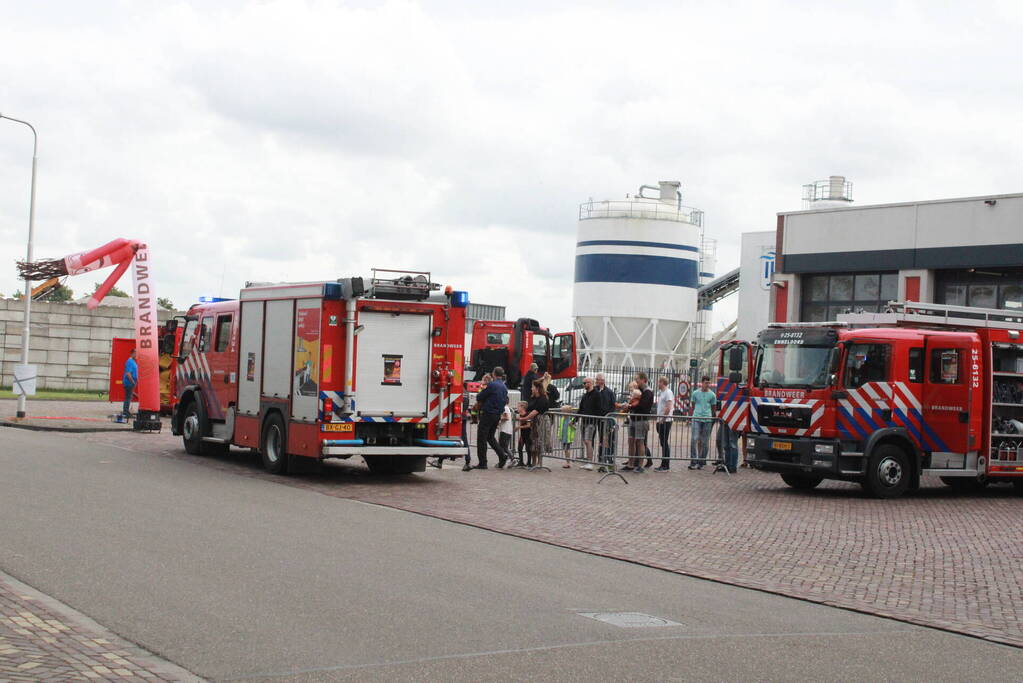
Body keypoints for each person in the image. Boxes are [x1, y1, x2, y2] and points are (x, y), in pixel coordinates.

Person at [470, 366, 511, 470]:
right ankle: (502, 455)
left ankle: (483, 462)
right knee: (490, 437)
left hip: (488, 413)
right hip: (497, 414)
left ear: (494, 374)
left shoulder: (492, 385)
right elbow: (505, 400)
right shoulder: (504, 387)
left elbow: (480, 397)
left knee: (482, 438)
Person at [625, 373, 654, 473]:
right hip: (633, 419)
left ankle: (640, 465)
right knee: (631, 441)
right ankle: (630, 464)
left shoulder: (648, 392)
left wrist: (630, 406)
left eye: (637, 380)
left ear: (643, 380)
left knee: (640, 442)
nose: (636, 381)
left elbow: (642, 406)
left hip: (641, 420)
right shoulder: (639, 391)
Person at [689, 376, 717, 470]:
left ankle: (701, 461)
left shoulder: (712, 395)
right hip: (697, 418)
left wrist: (711, 418)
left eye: (708, 383)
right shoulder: (695, 393)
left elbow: (713, 407)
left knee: (705, 441)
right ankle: (693, 461)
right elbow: (693, 404)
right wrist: (695, 413)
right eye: (705, 383)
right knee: (694, 439)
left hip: (707, 419)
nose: (707, 385)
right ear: (702, 383)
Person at [521, 380, 551, 468]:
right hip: (535, 422)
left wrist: (524, 418)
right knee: (533, 442)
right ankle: (533, 462)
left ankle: (539, 463)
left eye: (532, 387)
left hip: (541, 422)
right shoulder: (535, 398)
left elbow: (535, 411)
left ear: (537, 388)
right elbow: (529, 408)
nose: (531, 388)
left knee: (539, 441)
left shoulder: (542, 399)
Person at [575, 377, 601, 470]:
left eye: (585, 383)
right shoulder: (585, 395)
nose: (583, 385)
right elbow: (581, 409)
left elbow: (599, 409)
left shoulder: (597, 394)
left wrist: (596, 420)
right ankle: (588, 461)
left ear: (590, 383)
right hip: (584, 421)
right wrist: (575, 420)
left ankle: (590, 462)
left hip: (591, 422)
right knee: (586, 442)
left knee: (588, 441)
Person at [654, 376, 674, 472]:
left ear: (662, 382)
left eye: (659, 382)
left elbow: (668, 406)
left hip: (665, 421)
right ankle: (664, 463)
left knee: (664, 442)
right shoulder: (662, 392)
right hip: (661, 420)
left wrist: (663, 419)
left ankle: (666, 465)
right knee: (663, 442)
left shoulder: (668, 392)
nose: (658, 384)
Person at [122, 348, 138, 418]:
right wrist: (133, 382)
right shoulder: (129, 361)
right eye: (136, 353)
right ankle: (125, 412)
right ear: (133, 353)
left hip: (131, 382)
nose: (137, 355)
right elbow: (128, 373)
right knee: (128, 398)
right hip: (129, 383)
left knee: (129, 397)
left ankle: (126, 411)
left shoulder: (133, 361)